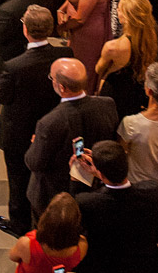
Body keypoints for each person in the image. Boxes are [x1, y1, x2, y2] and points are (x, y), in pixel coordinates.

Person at [0, 6, 69, 237]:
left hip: (19, 130)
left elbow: (4, 97)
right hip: (52, 121)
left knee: (17, 176)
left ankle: (19, 222)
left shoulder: (13, 66)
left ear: (25, 30)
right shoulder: (65, 55)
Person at [74, 141, 158, 273]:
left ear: (100, 174)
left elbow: (74, 206)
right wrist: (102, 172)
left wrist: (80, 178)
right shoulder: (154, 192)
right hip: (144, 271)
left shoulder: (88, 203)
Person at [25, 58, 118, 219]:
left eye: (52, 78)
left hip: (54, 197)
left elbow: (34, 162)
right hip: (94, 189)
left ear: (61, 87)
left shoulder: (49, 122)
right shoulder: (107, 105)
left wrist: (36, 144)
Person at [96, 0, 158, 119]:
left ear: (126, 16)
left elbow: (98, 69)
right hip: (138, 91)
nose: (117, 11)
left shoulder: (113, 47)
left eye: (119, 9)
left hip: (115, 94)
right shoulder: (151, 37)